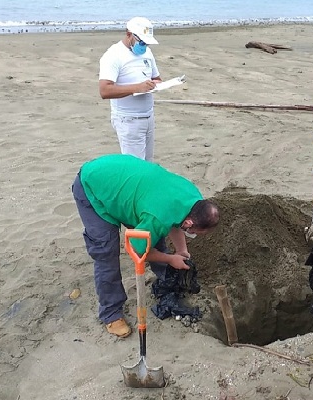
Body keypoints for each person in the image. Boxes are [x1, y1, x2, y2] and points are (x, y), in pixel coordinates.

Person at [71, 154, 220, 338]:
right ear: (190, 223)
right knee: (106, 252)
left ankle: (166, 282)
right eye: (196, 232)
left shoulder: (194, 197)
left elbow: (175, 220)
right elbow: (133, 251)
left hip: (125, 182)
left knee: (153, 236)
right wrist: (169, 258)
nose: (195, 235)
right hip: (93, 187)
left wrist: (182, 251)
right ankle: (111, 314)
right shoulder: (157, 217)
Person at [99, 17, 162, 161]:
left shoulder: (147, 52)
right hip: (128, 120)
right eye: (142, 42)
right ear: (129, 35)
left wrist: (157, 84)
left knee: (148, 164)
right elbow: (104, 90)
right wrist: (138, 87)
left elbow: (157, 78)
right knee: (135, 167)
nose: (144, 46)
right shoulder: (113, 55)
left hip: (148, 116)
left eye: (147, 43)